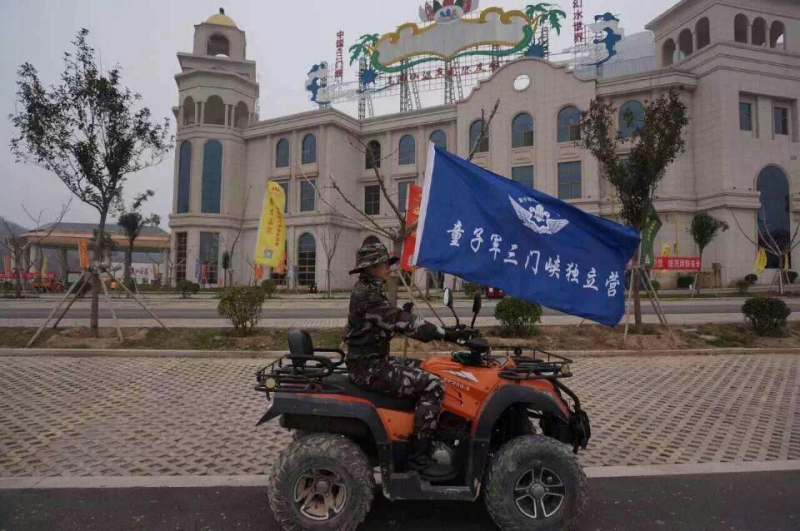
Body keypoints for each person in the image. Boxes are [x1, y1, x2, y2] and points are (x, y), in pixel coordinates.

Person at [343, 242, 467, 477]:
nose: (388, 268)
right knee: (432, 385)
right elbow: (399, 321)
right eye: (383, 263)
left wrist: (404, 314)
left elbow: (387, 323)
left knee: (427, 367)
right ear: (370, 267)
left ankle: (421, 429)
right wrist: (445, 333)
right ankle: (419, 457)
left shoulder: (371, 290)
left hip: (375, 361)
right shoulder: (366, 295)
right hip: (368, 368)